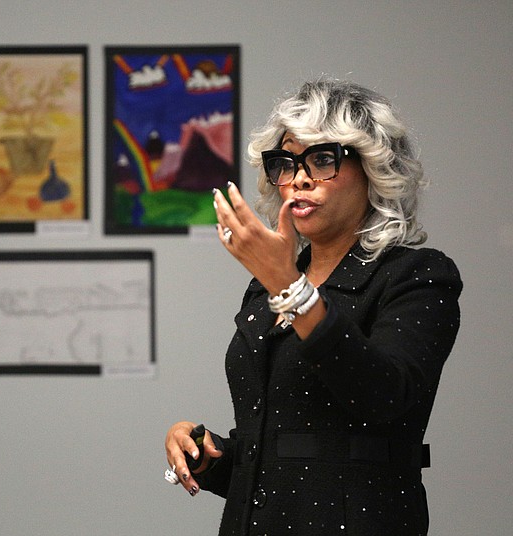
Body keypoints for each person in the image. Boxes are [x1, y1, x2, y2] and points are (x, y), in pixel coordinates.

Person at [164, 78, 462, 535]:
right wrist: (208, 456)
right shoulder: (266, 285)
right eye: (286, 162)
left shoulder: (416, 276)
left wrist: (288, 284)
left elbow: (382, 395)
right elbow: (289, 454)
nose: (299, 177)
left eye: (322, 159)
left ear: (374, 170)